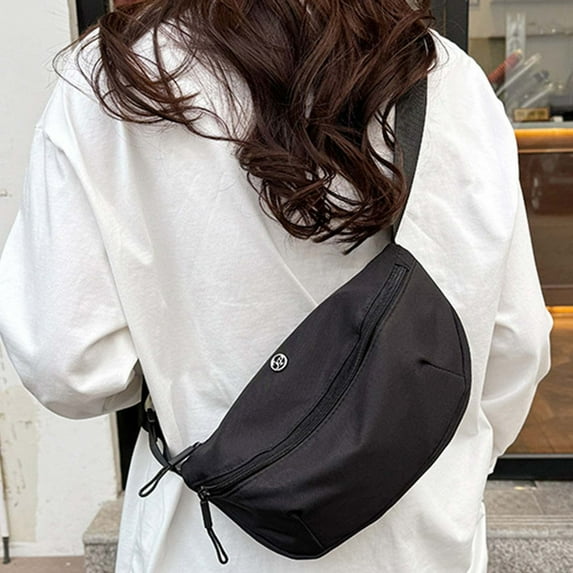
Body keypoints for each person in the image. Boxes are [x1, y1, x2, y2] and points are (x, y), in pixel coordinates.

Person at [0, 1, 552, 571]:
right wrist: (445, 460)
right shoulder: (443, 76)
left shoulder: (115, 79)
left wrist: (181, 360)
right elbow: (516, 341)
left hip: (207, 539)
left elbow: (68, 365)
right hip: (419, 539)